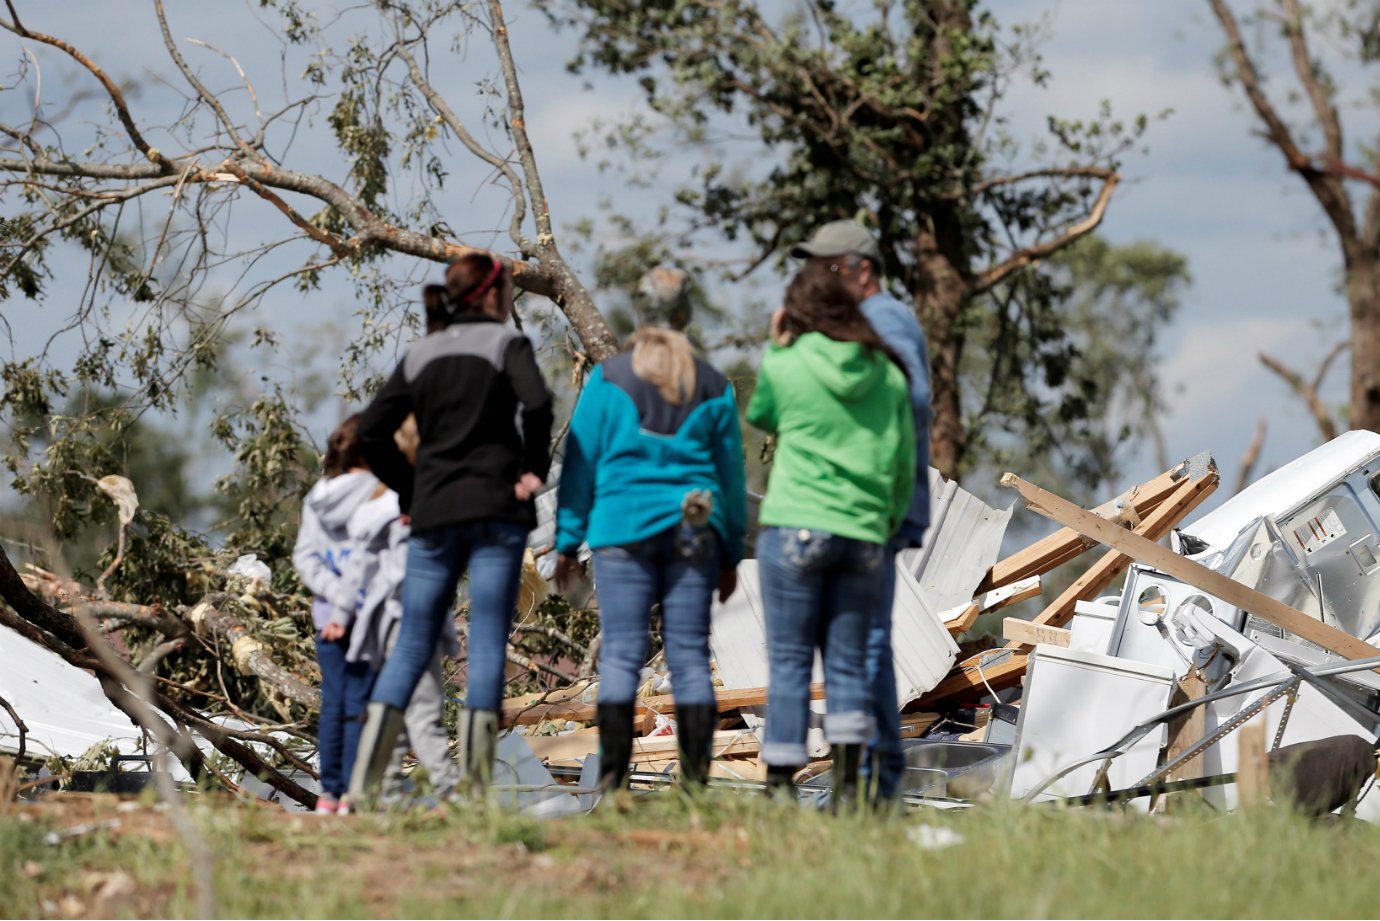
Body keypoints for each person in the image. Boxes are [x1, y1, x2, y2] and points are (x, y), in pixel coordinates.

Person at [348, 253, 553, 803]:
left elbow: (371, 432)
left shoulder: (422, 353)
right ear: (491, 294)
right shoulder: (508, 344)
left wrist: (410, 491)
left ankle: (367, 785)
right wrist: (533, 470)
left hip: (435, 513)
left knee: (412, 643)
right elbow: (538, 404)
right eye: (509, 286)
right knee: (486, 643)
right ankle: (476, 793)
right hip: (496, 511)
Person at [553, 267, 747, 793]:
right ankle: (695, 788)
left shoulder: (609, 380)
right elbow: (730, 480)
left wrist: (567, 541)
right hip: (692, 536)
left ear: (639, 313)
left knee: (619, 652)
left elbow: (580, 464)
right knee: (687, 652)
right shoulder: (710, 384)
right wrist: (729, 553)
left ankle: (612, 786)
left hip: (621, 534)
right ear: (686, 314)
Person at [746, 261, 915, 811]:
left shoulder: (789, 363)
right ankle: (847, 790)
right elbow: (902, 463)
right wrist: (883, 524)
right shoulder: (889, 373)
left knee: (792, 661)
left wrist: (777, 346)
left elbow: (763, 414)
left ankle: (778, 793)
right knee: (847, 665)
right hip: (863, 533)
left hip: (795, 526)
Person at [789, 220, 932, 808]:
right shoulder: (868, 322)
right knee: (859, 643)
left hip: (876, 506)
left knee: (863, 644)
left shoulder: (885, 319)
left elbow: (912, 397)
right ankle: (875, 784)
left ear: (861, 269)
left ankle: (877, 787)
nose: (817, 277)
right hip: (874, 503)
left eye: (827, 267)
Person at [338, 416, 463, 805]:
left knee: (398, 711)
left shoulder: (377, 502)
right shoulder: (412, 499)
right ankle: (454, 795)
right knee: (422, 710)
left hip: (386, 621)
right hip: (410, 618)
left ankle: (385, 793)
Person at [292, 415, 381, 814]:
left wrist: (331, 594)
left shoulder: (318, 495)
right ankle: (353, 794)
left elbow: (305, 556)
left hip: (326, 616)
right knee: (360, 704)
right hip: (367, 615)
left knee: (333, 703)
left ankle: (330, 793)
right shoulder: (380, 491)